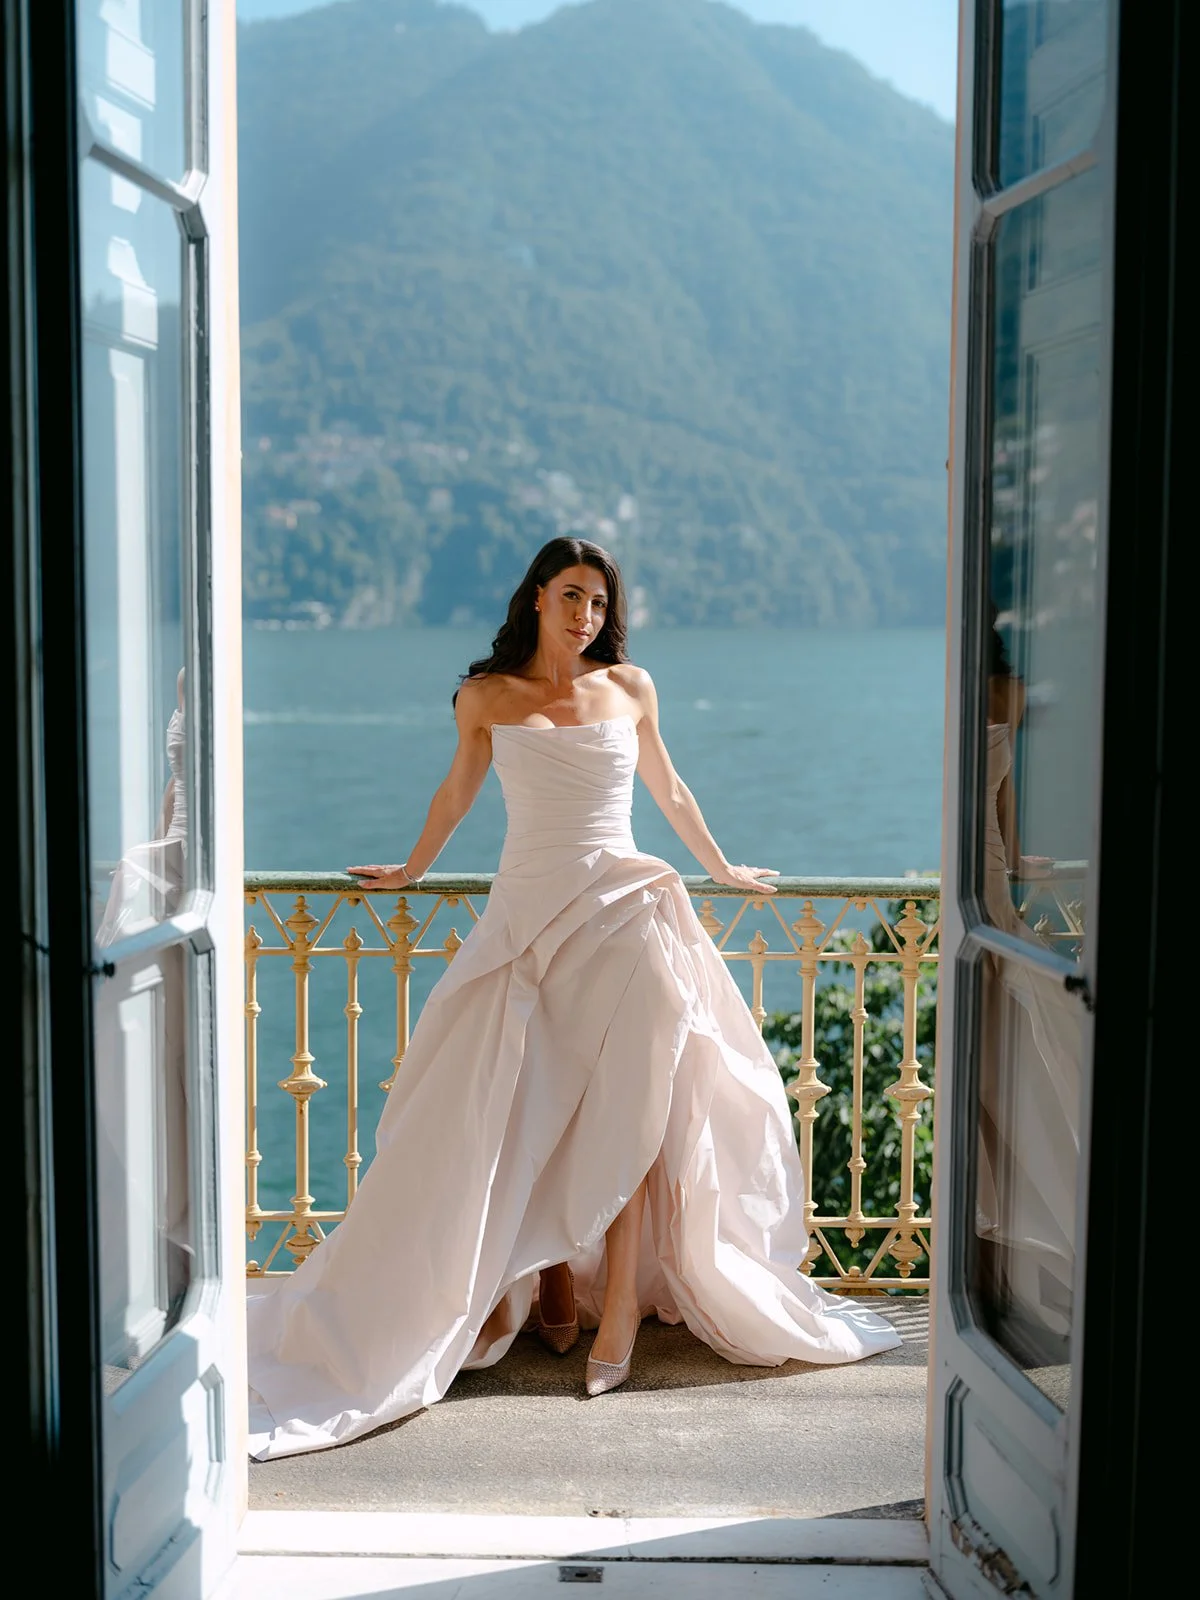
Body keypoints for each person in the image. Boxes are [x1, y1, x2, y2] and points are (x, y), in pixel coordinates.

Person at [246, 537, 901, 1460]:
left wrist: (721, 868)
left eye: (597, 600)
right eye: (570, 596)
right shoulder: (485, 697)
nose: (585, 614)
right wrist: (413, 869)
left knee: (634, 1112)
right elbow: (455, 793)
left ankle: (618, 1321)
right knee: (526, 1103)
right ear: (537, 597)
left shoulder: (629, 687)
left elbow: (667, 786)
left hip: (627, 912)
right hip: (528, 919)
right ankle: (547, 1288)